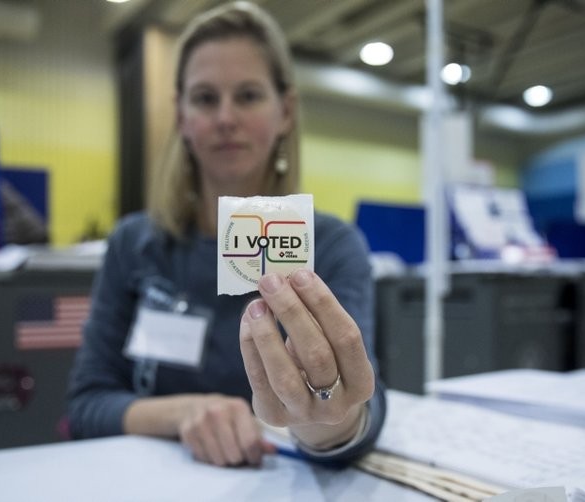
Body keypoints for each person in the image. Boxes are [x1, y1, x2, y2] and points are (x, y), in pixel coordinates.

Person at [67, 0, 386, 467]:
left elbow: (358, 404)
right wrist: (187, 413)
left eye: (249, 95)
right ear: (180, 116)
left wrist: (329, 424)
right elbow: (86, 405)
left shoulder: (332, 246)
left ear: (286, 112)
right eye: (205, 98)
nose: (225, 118)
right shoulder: (135, 244)